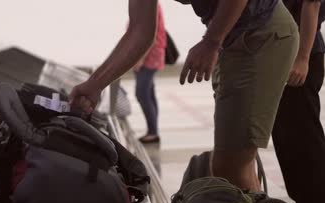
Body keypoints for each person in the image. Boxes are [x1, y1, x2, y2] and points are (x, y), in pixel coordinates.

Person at [69, 0, 298, 192]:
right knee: (236, 164)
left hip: (263, 35)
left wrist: (211, 42)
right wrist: (94, 84)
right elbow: (140, 31)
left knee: (230, 167)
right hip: (233, 46)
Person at [272, 0, 325, 203]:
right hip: (280, 53)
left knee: (304, 138)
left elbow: (311, 4)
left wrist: (302, 57)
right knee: (287, 138)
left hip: (300, 55)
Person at [133, 4, 166, 144]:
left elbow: (149, 35)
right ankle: (153, 130)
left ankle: (153, 132)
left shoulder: (148, 5)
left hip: (149, 58)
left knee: (141, 93)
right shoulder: (152, 5)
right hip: (152, 56)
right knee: (149, 93)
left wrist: (139, 58)